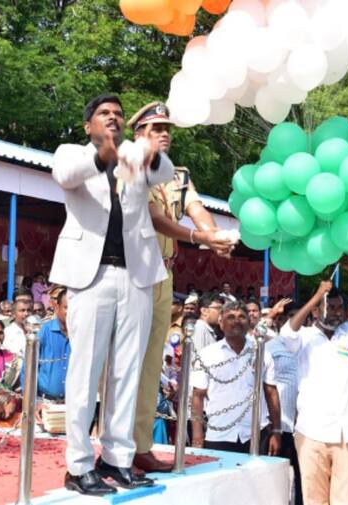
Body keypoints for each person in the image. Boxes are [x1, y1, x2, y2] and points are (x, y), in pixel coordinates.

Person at [50, 93, 173, 495]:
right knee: (85, 371)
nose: (114, 118)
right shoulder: (73, 152)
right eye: (105, 114)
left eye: (119, 114)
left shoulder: (135, 157)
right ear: (88, 126)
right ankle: (78, 465)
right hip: (91, 276)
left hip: (135, 274)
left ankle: (118, 459)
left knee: (127, 371)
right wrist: (105, 151)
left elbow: (165, 171)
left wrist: (150, 151)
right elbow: (66, 175)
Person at [127, 101, 235, 473]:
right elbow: (157, 220)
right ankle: (116, 446)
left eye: (167, 128)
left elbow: (197, 209)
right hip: (134, 273)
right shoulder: (130, 167)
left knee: (151, 363)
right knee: (127, 362)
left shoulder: (178, 176)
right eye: (156, 128)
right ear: (139, 133)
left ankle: (140, 446)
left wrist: (215, 235)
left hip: (164, 274)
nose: (165, 134)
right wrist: (200, 237)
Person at [279, 256, 348, 505]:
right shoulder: (304, 337)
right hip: (311, 432)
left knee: (346, 500)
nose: (336, 313)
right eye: (330, 307)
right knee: (313, 498)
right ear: (317, 310)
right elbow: (286, 332)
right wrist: (317, 296)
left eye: (340, 308)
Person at [190, 300, 281, 455]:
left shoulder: (261, 353)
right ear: (221, 322)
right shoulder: (207, 355)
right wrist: (197, 437)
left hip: (256, 434)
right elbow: (197, 396)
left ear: (249, 322)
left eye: (241, 317)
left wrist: (277, 431)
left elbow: (271, 392)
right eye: (230, 317)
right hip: (219, 435)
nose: (236, 321)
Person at [265, 306, 303, 505]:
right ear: (281, 322)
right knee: (277, 478)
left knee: (304, 479)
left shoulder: (312, 344)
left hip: (307, 425)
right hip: (283, 424)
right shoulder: (271, 347)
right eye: (290, 317)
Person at [32, 289, 70, 400]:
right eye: (66, 307)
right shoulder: (44, 331)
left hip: (74, 405)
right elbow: (28, 369)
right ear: (57, 307)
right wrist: (33, 402)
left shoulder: (82, 334)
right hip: (45, 403)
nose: (71, 312)